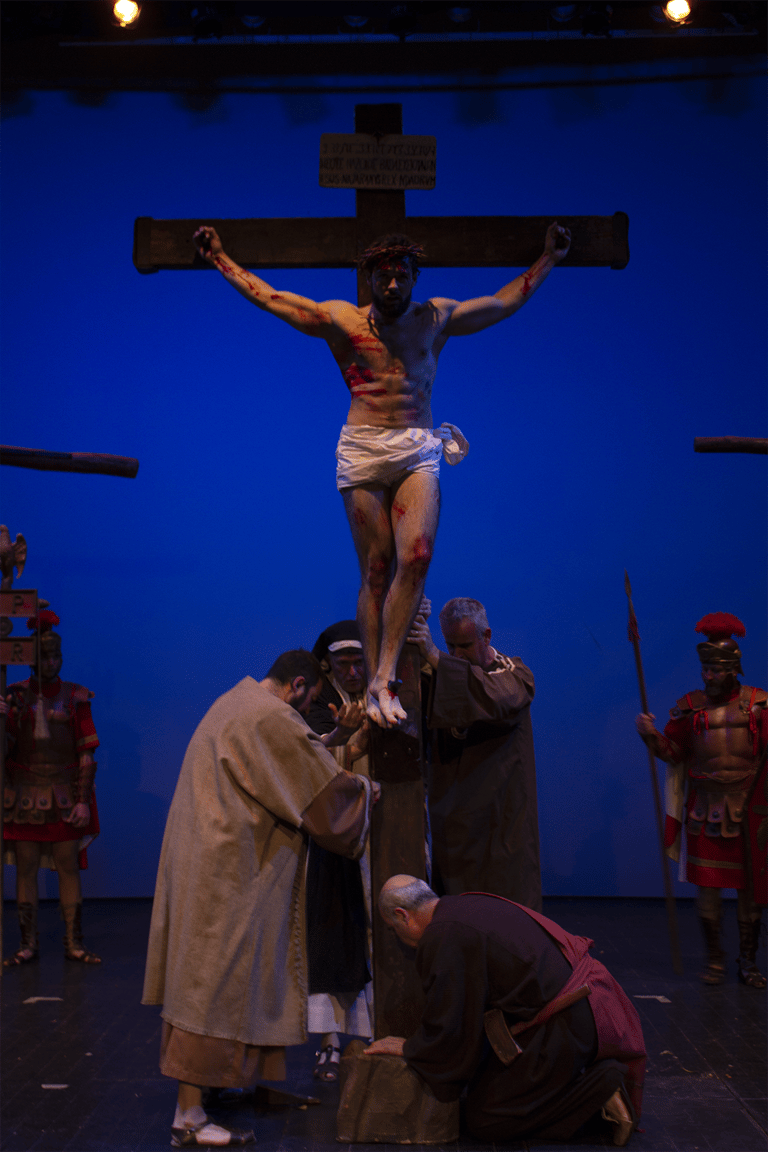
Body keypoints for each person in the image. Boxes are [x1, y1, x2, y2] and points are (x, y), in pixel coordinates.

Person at [193, 222, 572, 728]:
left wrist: (548, 258)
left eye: (401, 276)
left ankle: (383, 678)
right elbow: (273, 299)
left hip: (416, 446)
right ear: (369, 279)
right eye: (382, 277)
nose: (392, 285)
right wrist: (220, 258)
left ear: (414, 276)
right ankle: (375, 678)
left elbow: (502, 303)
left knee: (417, 557)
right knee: (375, 571)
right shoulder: (344, 321)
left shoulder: (435, 317)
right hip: (364, 447)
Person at [142, 650, 378, 1148]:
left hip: (210, 860)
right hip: (229, 872)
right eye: (308, 703)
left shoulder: (238, 701)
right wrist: (365, 791)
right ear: (298, 685)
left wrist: (336, 745)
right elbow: (318, 796)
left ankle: (209, 1090)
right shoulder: (272, 717)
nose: (305, 713)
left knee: (211, 978)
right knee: (213, 983)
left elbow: (285, 763)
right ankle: (188, 1116)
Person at [366, 876, 645, 1147]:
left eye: (393, 929)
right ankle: (573, 1081)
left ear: (403, 915)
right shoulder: (462, 906)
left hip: (567, 1021)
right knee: (487, 1090)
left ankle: (600, 1089)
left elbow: (451, 1023)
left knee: (488, 1119)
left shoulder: (443, 935)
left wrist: (412, 1048)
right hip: (578, 1008)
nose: (397, 937)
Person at [635, 612, 767, 987]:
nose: (709, 676)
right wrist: (650, 734)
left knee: (750, 893)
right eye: (705, 669)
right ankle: (715, 960)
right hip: (705, 812)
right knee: (707, 891)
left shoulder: (759, 705)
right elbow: (674, 753)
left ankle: (748, 962)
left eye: (716, 669)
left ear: (733, 668)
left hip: (749, 812)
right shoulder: (690, 708)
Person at [408, 596, 541, 909]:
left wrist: (435, 655)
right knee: (458, 910)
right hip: (455, 825)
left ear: (487, 636)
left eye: (465, 645)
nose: (457, 654)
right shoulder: (442, 673)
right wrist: (412, 618)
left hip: (500, 824)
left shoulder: (514, 674)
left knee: (503, 910)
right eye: (450, 645)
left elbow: (494, 695)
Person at [2, 610, 101, 967]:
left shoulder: (76, 696)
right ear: (31, 659)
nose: (51, 662)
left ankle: (74, 942)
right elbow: (5, 750)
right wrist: (1, 719)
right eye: (44, 656)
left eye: (55, 655)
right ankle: (27, 943)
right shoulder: (14, 696)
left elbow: (86, 755)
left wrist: (82, 801)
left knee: (67, 866)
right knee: (25, 867)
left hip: (63, 794)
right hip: (24, 793)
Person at [304, 621, 373, 1081]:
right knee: (330, 933)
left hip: (376, 829)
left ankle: (372, 1032)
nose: (352, 672)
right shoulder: (318, 706)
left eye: (359, 662)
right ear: (327, 665)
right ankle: (328, 1040)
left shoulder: (382, 696)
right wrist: (346, 740)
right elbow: (311, 765)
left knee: (375, 926)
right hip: (333, 835)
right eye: (343, 663)